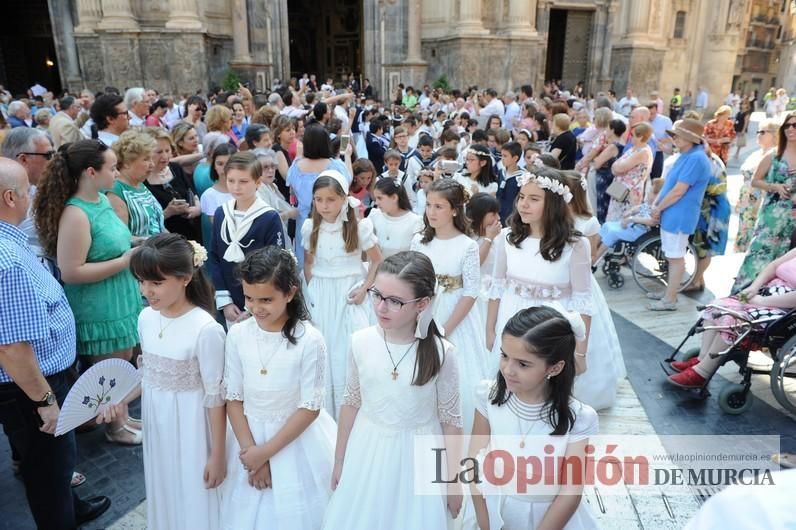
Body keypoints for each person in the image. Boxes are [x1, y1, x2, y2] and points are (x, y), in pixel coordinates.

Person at [0, 158, 111, 529]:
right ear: (10, 197)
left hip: (40, 382)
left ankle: (72, 506)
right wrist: (45, 402)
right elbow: (12, 348)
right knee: (48, 471)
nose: (33, 195)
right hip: (34, 389)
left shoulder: (11, 243)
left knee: (58, 464)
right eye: (27, 190)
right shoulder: (8, 261)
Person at [321, 251, 463, 530]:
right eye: (377, 295)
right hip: (367, 448)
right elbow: (351, 403)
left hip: (419, 456)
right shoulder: (360, 341)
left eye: (395, 301)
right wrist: (340, 460)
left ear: (422, 304)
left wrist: (453, 481)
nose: (381, 307)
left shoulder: (442, 352)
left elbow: (451, 422)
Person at [34, 139, 143, 445]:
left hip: (120, 295)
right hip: (98, 304)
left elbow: (111, 240)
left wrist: (136, 243)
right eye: (112, 168)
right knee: (107, 371)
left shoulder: (102, 200)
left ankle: (121, 414)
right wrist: (125, 260)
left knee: (124, 362)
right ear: (91, 172)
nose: (117, 173)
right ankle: (114, 425)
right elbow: (71, 271)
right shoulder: (75, 214)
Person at [117, 234, 226, 529]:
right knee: (163, 484)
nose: (147, 291)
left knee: (193, 492)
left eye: (156, 282)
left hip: (193, 427)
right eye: (142, 282)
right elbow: (151, 373)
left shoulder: (206, 330)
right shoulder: (146, 319)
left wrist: (217, 454)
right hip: (157, 422)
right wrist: (120, 400)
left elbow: (216, 398)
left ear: (186, 278)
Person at [223, 247, 336, 529]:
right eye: (249, 298)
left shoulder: (310, 340)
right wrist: (252, 454)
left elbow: (310, 406)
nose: (255, 307)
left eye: (266, 300)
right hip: (246, 436)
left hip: (294, 440)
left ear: (290, 293)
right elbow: (234, 397)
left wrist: (266, 452)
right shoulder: (238, 334)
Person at [468, 306, 599, 530]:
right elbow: (473, 463)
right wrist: (484, 522)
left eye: (523, 364)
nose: (508, 370)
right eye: (504, 356)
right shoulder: (488, 397)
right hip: (496, 511)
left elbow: (570, 491)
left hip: (548, 519)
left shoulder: (578, 418)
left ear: (555, 368)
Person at [486, 168, 592, 377]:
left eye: (534, 199)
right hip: (510, 319)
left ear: (553, 204)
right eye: (522, 197)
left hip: (549, 326)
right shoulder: (507, 238)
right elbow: (496, 288)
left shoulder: (575, 245)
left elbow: (583, 302)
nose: (523, 204)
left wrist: (580, 353)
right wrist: (490, 330)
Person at [302, 170, 382, 417]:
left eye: (330, 199)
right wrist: (312, 291)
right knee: (322, 351)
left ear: (343, 199)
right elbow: (308, 263)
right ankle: (324, 414)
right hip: (322, 295)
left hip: (349, 294)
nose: (324, 206)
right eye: (318, 199)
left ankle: (352, 413)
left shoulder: (359, 227)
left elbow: (378, 261)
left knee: (346, 352)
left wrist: (364, 288)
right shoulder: (309, 227)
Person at [411, 178, 488, 432]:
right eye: (429, 205)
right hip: (423, 310)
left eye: (439, 207)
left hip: (455, 316)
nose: (431, 212)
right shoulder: (419, 241)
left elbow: (471, 292)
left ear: (455, 209)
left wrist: (444, 328)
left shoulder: (467, 246)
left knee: (457, 376)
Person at [668, 246, 796, 389]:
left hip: (784, 311)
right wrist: (754, 287)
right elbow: (774, 266)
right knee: (717, 306)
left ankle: (702, 373)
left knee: (733, 319)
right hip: (765, 293)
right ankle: (701, 359)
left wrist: (763, 302)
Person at [209, 152, 286, 328]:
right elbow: (214, 256)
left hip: (260, 301)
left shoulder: (268, 217)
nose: (236, 187)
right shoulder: (221, 213)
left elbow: (275, 263)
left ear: (258, 182)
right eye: (231, 180)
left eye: (243, 181)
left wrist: (254, 305)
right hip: (230, 299)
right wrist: (225, 300)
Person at [648, 119, 712, 310]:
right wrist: (657, 204)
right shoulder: (687, 154)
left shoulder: (696, 158)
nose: (673, 137)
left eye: (677, 135)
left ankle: (670, 300)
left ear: (690, 138)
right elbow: (669, 184)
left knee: (675, 258)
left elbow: (678, 190)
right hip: (673, 213)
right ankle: (669, 293)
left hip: (680, 215)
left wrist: (658, 208)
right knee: (672, 256)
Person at [732, 113, 796, 293]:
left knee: (785, 261)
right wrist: (774, 186)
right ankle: (741, 295)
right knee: (758, 256)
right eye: (787, 126)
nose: (790, 129)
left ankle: (770, 299)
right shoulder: (774, 154)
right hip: (771, 217)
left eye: (795, 125)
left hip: (793, 220)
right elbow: (755, 181)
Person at [287, 123, 351, 268]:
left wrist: (298, 156)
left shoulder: (296, 167)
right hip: (332, 219)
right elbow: (347, 183)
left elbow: (292, 188)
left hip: (304, 221)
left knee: (307, 264)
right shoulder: (336, 165)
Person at [142, 127, 202, 241]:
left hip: (192, 231)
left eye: (167, 150)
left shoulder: (176, 168)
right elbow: (146, 221)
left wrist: (197, 208)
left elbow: (192, 192)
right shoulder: (142, 181)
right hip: (167, 239)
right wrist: (167, 212)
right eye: (159, 152)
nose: (165, 156)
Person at [107, 130, 165, 241]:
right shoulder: (116, 191)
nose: (152, 164)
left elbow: (158, 226)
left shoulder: (140, 184)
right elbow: (121, 238)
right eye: (146, 159)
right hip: (140, 255)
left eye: (152, 158)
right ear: (127, 162)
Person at [687, 148, 731, 291]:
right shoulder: (710, 159)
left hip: (714, 210)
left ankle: (695, 281)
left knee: (706, 248)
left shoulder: (709, 163)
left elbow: (710, 188)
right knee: (701, 247)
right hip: (709, 208)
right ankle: (699, 279)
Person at [734, 118, 778, 253]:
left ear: (775, 134)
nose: (758, 134)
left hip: (760, 202)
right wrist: (740, 200)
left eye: (763, 132)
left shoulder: (775, 156)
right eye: (758, 131)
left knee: (756, 238)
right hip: (746, 202)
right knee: (745, 234)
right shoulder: (756, 153)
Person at [605, 122, 653, 222]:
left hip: (629, 193)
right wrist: (616, 168)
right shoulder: (634, 148)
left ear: (640, 137)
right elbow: (616, 165)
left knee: (620, 220)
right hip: (620, 188)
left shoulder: (643, 152)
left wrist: (617, 168)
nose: (631, 137)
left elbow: (620, 168)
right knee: (613, 217)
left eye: (633, 135)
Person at [369, 177, 424, 258]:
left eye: (380, 198)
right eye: (375, 198)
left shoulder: (415, 221)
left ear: (394, 197)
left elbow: (417, 256)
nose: (376, 202)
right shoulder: (374, 215)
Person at [200, 143, 237, 248]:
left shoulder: (246, 189)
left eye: (229, 163)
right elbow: (218, 225)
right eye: (220, 164)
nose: (224, 168)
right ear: (214, 166)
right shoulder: (209, 195)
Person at [589, 119, 626, 223]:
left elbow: (597, 163)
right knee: (610, 205)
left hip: (604, 178)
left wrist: (596, 158)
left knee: (600, 205)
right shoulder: (623, 143)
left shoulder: (613, 146)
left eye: (608, 128)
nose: (606, 130)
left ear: (612, 130)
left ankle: (600, 228)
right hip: (615, 179)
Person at [497, 142, 524, 224]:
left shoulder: (522, 177)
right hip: (498, 212)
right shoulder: (501, 172)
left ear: (515, 158)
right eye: (501, 155)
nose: (502, 158)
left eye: (505, 156)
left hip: (512, 215)